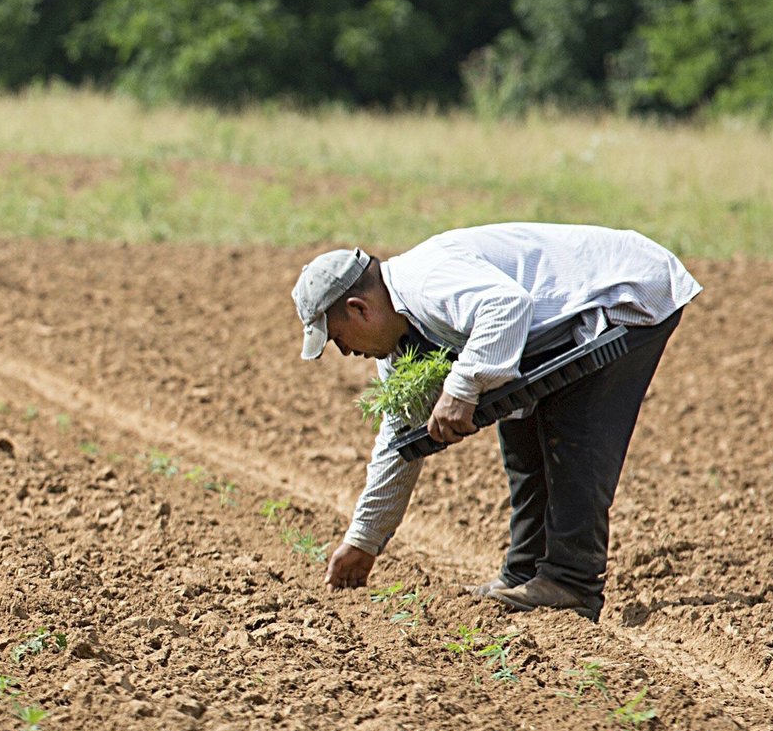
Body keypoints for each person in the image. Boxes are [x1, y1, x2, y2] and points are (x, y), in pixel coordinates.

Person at [292, 223, 700, 619]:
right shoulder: (400, 351)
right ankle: (524, 572)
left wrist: (461, 387)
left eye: (337, 338)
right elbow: (399, 444)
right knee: (521, 434)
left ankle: (571, 583)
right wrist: (363, 540)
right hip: (570, 320)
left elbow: (507, 305)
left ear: (358, 309)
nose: (344, 351)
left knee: (571, 431)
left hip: (623, 292)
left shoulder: (425, 281)